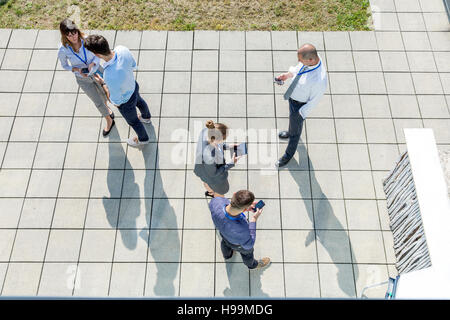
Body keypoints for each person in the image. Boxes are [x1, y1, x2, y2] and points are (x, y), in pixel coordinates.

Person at [84, 34, 152, 148]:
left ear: (96, 54)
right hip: (133, 86)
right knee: (140, 102)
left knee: (134, 121)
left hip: (126, 102)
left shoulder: (109, 75)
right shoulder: (122, 49)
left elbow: (115, 100)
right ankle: (146, 117)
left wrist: (103, 83)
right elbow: (133, 65)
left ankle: (143, 139)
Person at [58, 19, 115, 137]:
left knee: (106, 92)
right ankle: (109, 120)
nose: (73, 37)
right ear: (65, 36)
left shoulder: (86, 39)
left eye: (74, 33)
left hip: (97, 71)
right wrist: (74, 69)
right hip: (82, 78)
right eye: (69, 35)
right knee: (97, 100)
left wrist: (93, 63)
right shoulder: (63, 49)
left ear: (77, 31)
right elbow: (64, 65)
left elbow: (97, 54)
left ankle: (107, 108)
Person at [274, 43, 328, 167]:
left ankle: (288, 155)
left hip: (300, 107)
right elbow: (299, 69)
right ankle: (290, 131)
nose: (298, 61)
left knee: (295, 133)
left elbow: (314, 100)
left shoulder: (319, 80)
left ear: (310, 60)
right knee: (292, 125)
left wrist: (300, 114)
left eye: (300, 59)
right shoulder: (311, 60)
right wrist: (287, 75)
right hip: (293, 98)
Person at [209, 189, 270, 270]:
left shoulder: (216, 202)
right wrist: (254, 220)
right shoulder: (242, 230)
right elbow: (249, 245)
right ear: (245, 209)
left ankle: (227, 256)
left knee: (225, 244)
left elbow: (229, 211)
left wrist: (243, 208)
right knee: (247, 255)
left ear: (234, 195)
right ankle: (253, 265)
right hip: (238, 245)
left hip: (224, 235)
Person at [194, 120, 240, 198]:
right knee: (209, 182)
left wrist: (229, 146)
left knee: (205, 181)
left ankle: (210, 192)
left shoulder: (207, 131)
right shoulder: (209, 157)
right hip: (210, 173)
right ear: (217, 140)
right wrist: (231, 163)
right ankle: (212, 192)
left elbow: (218, 144)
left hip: (203, 169)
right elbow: (213, 174)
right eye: (223, 139)